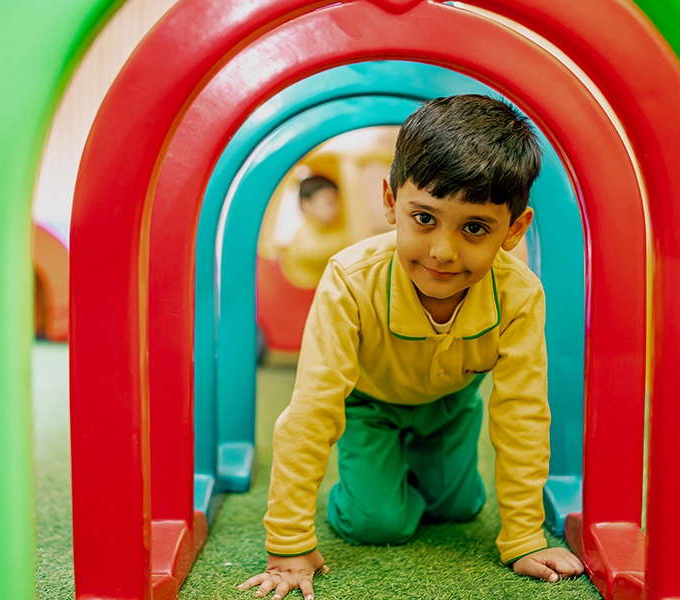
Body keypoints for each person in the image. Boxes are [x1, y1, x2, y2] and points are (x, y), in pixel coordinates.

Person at [239, 95, 584, 600]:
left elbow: (522, 413)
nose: (443, 252)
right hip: (371, 406)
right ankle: (369, 484)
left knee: (458, 509)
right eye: (424, 218)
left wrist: (524, 537)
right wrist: (289, 542)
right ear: (390, 202)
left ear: (514, 230)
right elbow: (312, 408)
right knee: (379, 524)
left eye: (474, 228)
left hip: (448, 407)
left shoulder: (519, 295)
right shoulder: (350, 281)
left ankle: (417, 470)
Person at [279, 175, 351, 289]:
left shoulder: (328, 231)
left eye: (337, 201)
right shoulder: (304, 239)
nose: (336, 208)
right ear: (306, 204)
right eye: (329, 202)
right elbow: (315, 250)